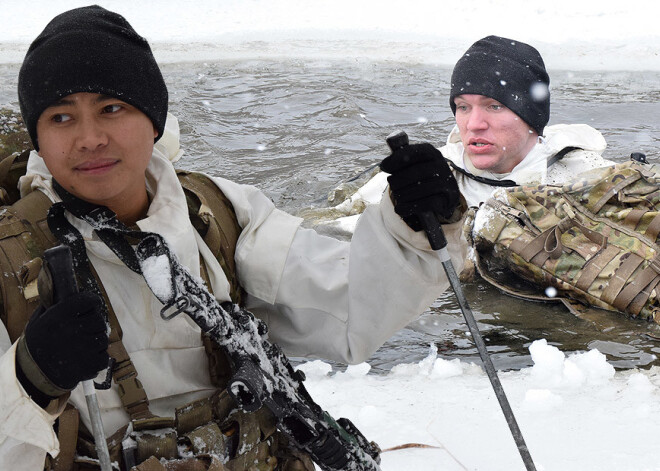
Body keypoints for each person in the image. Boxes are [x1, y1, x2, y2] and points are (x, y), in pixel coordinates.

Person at [0, 5, 466, 470]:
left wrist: (412, 223)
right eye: (61, 117)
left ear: (154, 121)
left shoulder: (217, 213)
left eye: (112, 108)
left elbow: (349, 309)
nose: (89, 138)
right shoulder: (9, 259)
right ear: (38, 137)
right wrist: (29, 378)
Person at [318, 35, 614, 235]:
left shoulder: (591, 176)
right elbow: (327, 226)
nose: (474, 124)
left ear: (531, 118)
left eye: (494, 106)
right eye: (462, 107)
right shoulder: (426, 178)